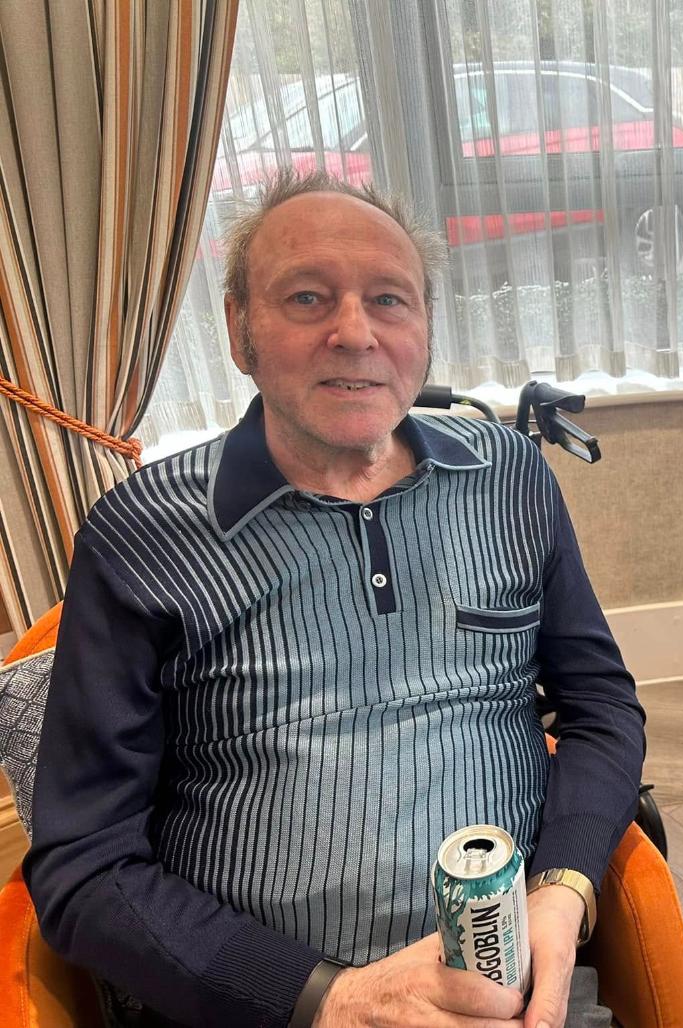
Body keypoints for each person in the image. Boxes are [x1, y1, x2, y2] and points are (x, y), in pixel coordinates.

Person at [24, 169, 645, 1028]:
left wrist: (564, 888)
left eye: (390, 300)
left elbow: (602, 705)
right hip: (265, 1006)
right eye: (308, 297)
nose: (355, 334)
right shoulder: (142, 535)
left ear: (424, 327)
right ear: (240, 328)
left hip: (517, 991)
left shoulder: (510, 477)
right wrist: (330, 999)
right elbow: (82, 867)